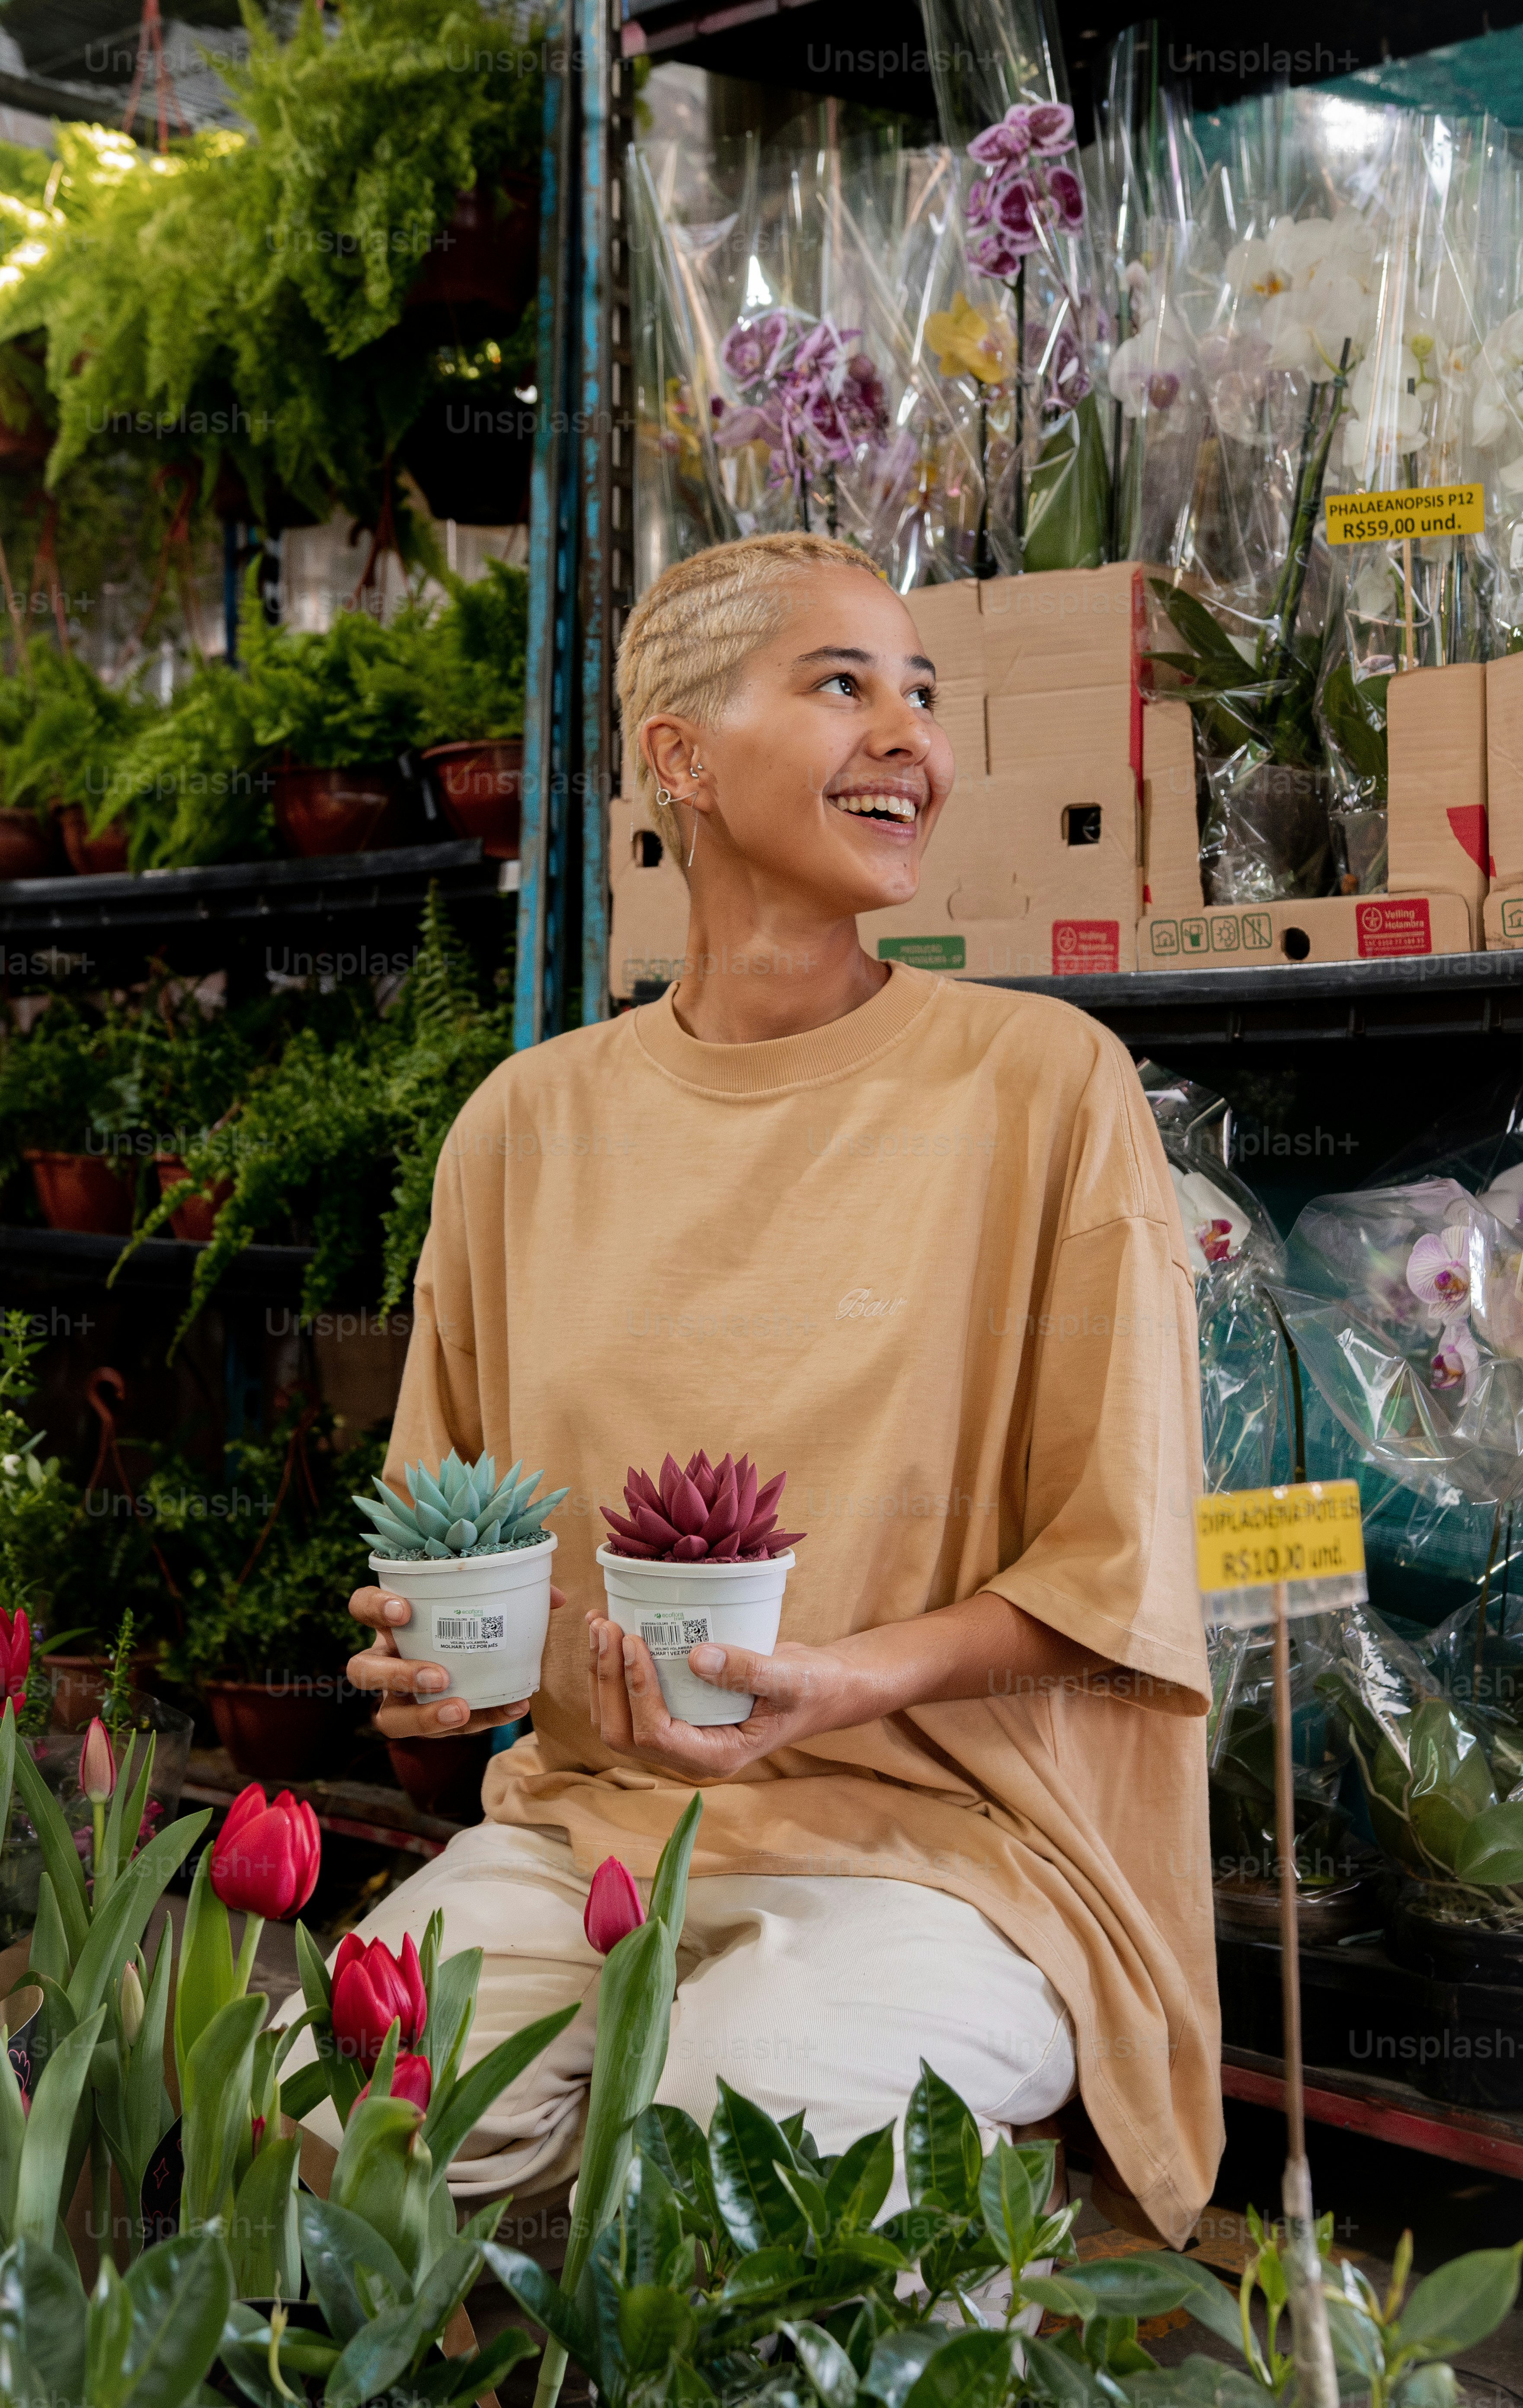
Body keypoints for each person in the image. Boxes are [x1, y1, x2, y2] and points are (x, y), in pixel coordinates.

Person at [320, 531, 1221, 2247]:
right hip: (582, 1830)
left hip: (942, 1856)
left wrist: (836, 1685)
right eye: (842, 685)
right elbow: (449, 1527)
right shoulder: (527, 1125)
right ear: (679, 760)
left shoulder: (1041, 1089)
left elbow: (1116, 1575)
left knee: (725, 2162)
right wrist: (418, 1657)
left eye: (924, 695)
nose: (912, 739)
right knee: (300, 2134)